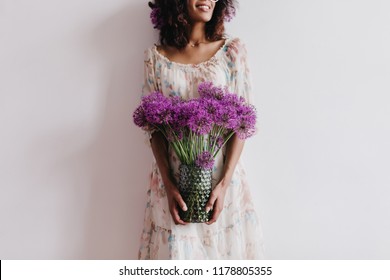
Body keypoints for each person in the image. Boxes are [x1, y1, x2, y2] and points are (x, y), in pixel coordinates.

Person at [138, 0, 265, 259]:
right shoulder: (155, 57)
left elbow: (242, 123)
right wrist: (169, 184)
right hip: (173, 185)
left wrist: (223, 185)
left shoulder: (232, 52)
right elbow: (153, 129)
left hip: (221, 182)